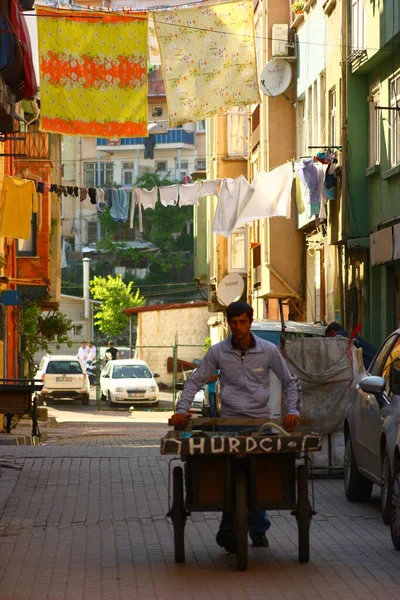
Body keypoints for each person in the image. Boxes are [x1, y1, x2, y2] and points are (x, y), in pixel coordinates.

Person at [170, 301, 300, 552]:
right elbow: (195, 381)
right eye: (234, 322)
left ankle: (257, 529)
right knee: (226, 477)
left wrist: (293, 411)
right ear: (228, 323)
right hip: (228, 424)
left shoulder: (268, 350)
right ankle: (230, 528)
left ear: (251, 321)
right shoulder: (218, 352)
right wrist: (181, 410)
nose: (238, 327)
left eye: (243, 321)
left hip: (261, 424)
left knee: (260, 475)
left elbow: (290, 382)